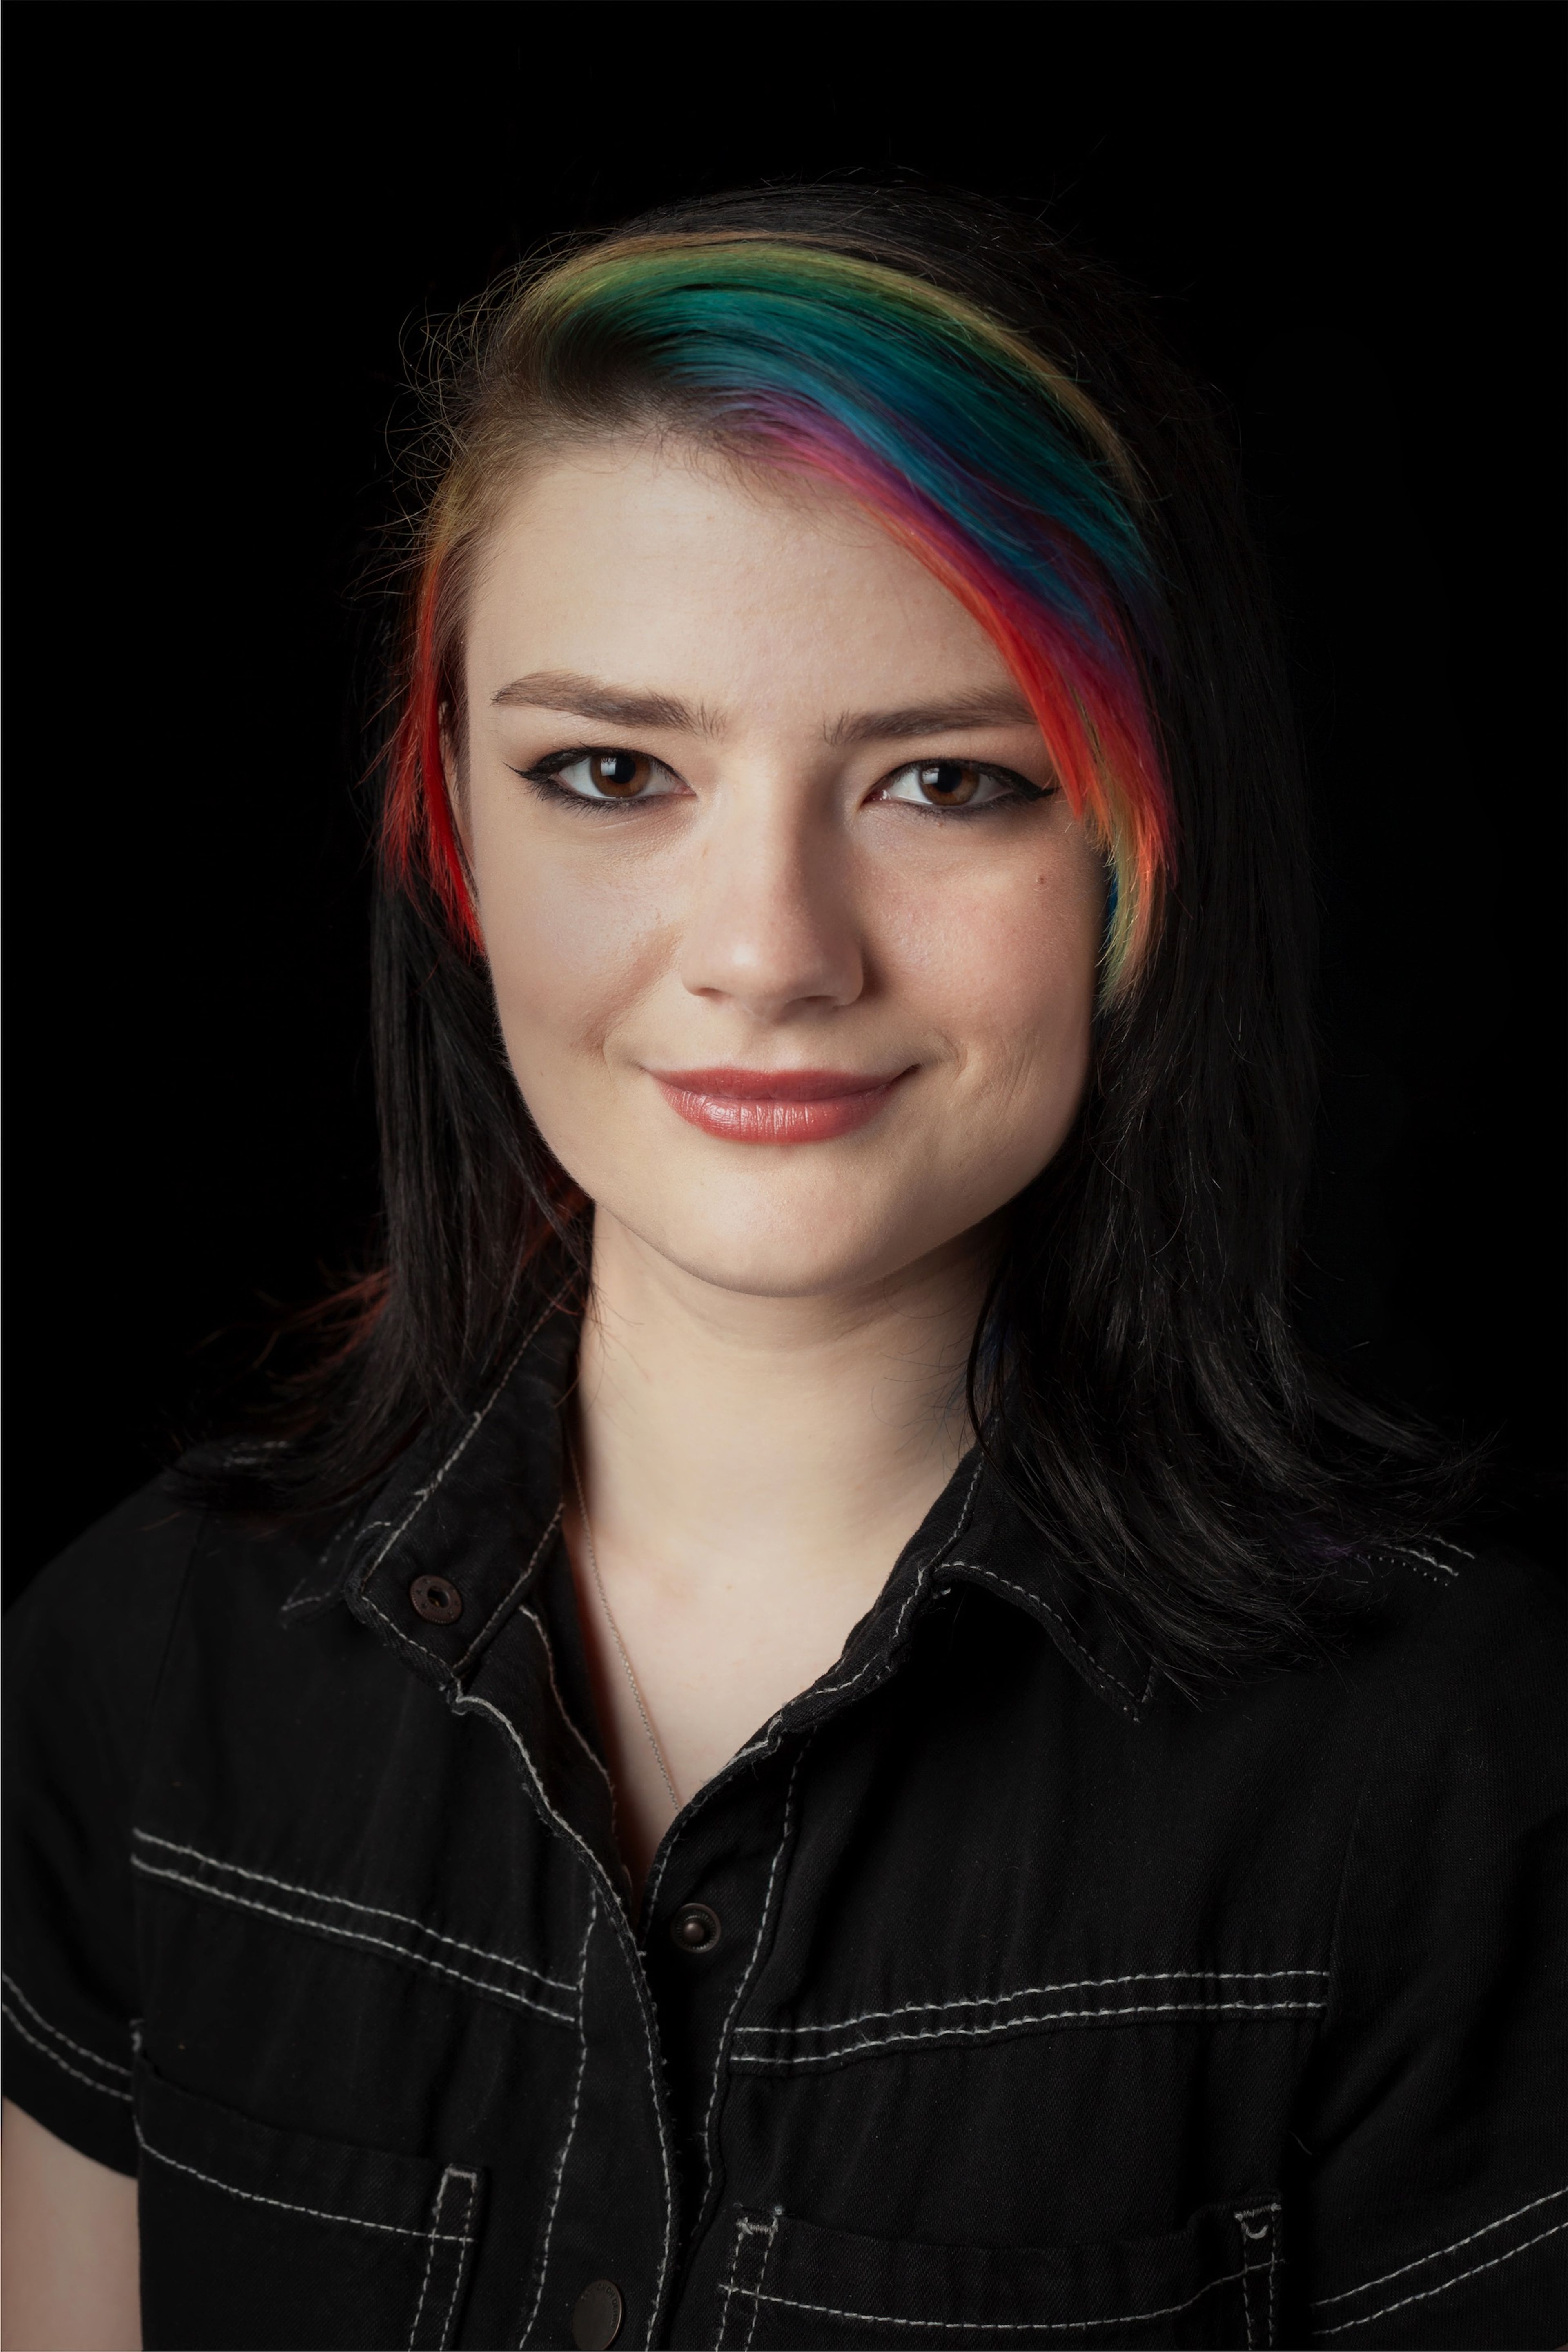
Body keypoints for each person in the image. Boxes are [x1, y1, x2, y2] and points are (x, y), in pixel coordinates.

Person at [2, 187, 1561, 2352]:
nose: (770, 950)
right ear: (451, 824)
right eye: (614, 772)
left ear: (1138, 846)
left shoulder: (1462, 1792)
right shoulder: (126, 1677)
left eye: (946, 779)